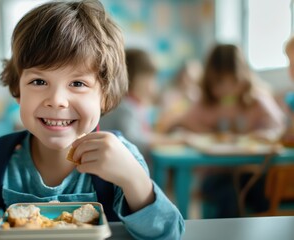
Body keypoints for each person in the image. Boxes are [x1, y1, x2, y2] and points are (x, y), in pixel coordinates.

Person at [0, 1, 184, 239]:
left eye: (77, 84)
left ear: (105, 95)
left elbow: (169, 233)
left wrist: (134, 180)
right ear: (17, 88)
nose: (57, 100)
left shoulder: (122, 159)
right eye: (39, 82)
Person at [173, 43, 285, 218]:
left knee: (262, 196)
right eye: (219, 83)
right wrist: (207, 133)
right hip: (216, 175)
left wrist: (264, 134)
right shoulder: (205, 103)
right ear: (209, 81)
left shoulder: (256, 99)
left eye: (233, 81)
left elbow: (277, 126)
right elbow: (184, 122)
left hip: (251, 172)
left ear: (244, 77)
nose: (226, 89)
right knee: (229, 198)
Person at [99, 48, 175, 160]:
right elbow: (136, 141)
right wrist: (173, 141)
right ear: (132, 78)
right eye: (150, 77)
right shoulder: (124, 107)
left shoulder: (134, 104)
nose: (154, 83)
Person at [156, 59, 202, 133]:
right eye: (188, 77)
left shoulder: (197, 95)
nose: (189, 82)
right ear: (181, 75)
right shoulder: (169, 95)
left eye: (194, 79)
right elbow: (164, 121)